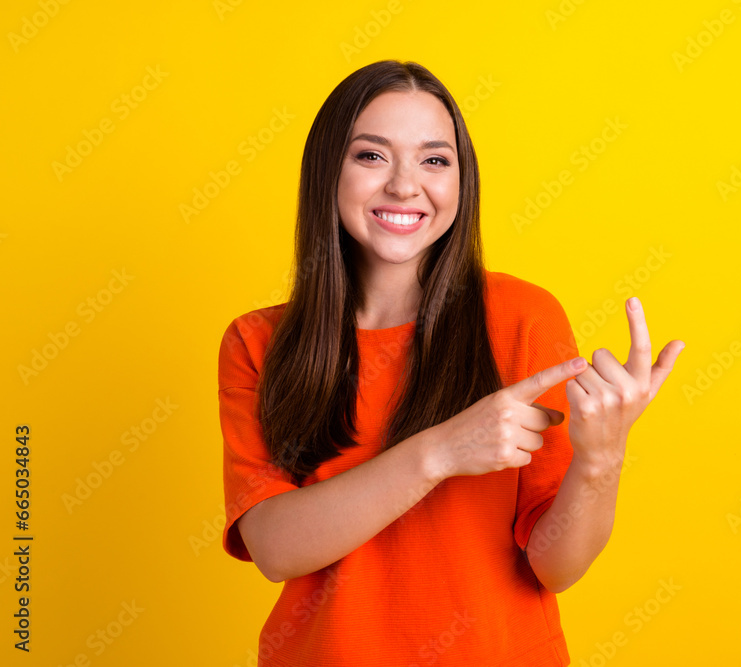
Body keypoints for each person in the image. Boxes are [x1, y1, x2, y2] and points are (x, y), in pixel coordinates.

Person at [217, 59, 685, 667]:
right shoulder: (258, 342)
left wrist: (602, 459)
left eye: (435, 160)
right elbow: (275, 547)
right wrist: (441, 451)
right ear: (327, 171)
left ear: (463, 183)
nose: (406, 186)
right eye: (372, 155)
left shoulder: (522, 317)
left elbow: (557, 567)